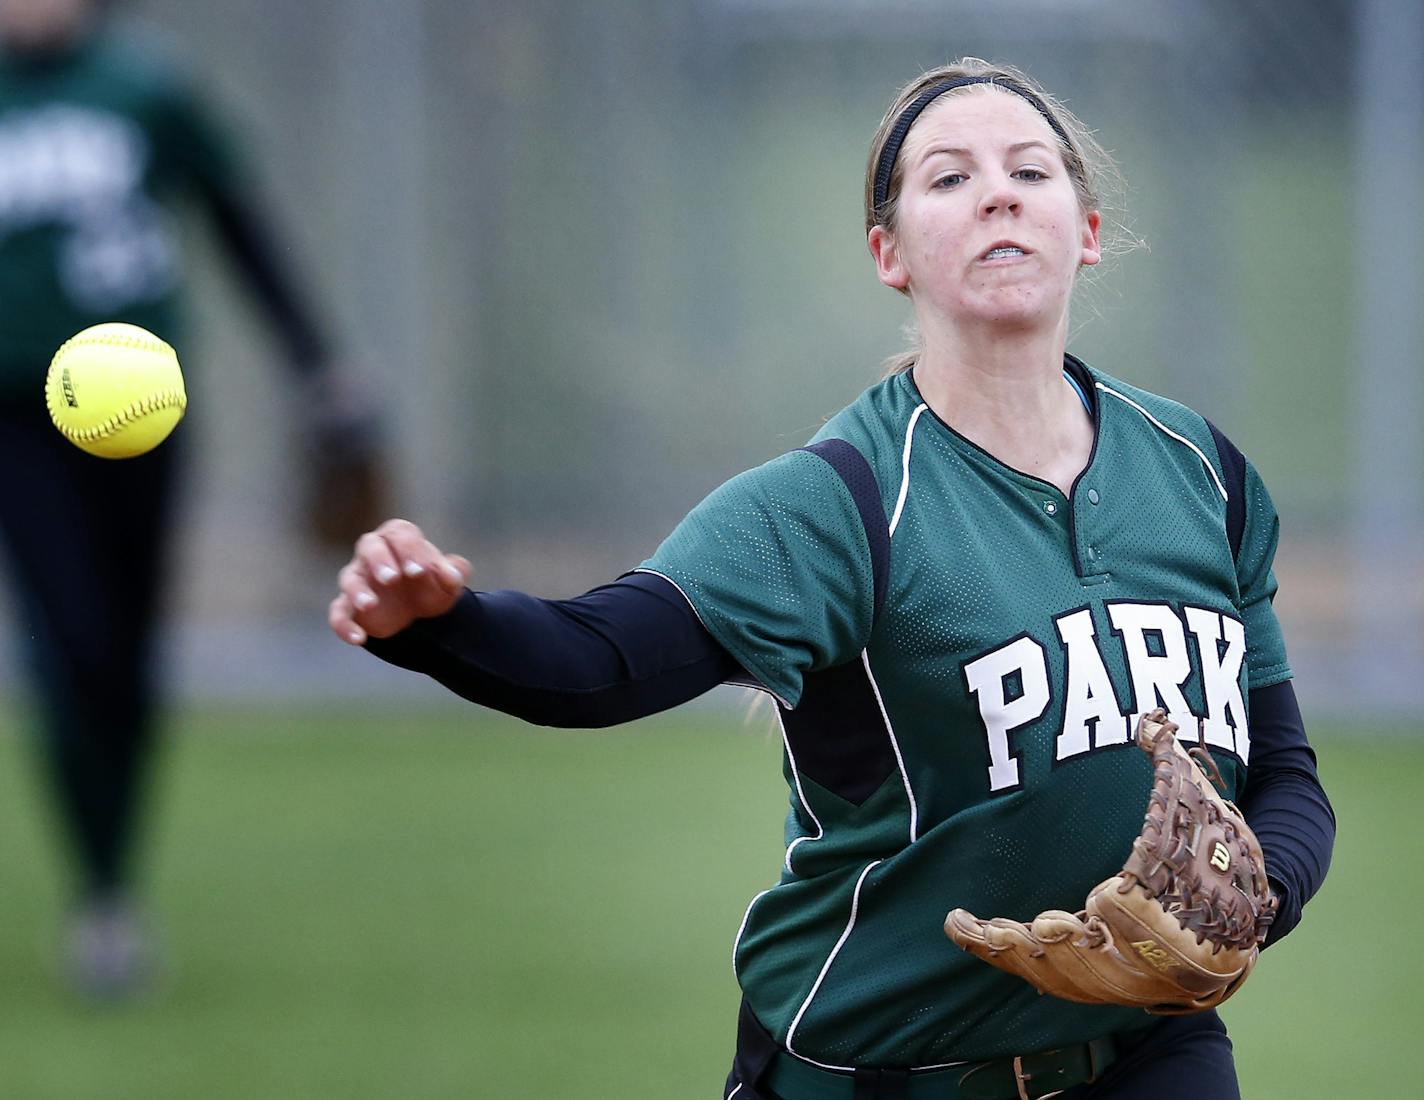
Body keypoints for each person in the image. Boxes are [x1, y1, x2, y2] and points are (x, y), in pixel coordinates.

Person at [328, 58, 1335, 1100]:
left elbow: (1286, 777)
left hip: (1146, 1059)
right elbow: (602, 658)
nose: (995, 191)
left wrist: (1252, 897)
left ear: (1082, 229)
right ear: (887, 253)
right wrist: (438, 620)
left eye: (1027, 170)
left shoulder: (1198, 470)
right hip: (876, 1069)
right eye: (947, 178)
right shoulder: (838, 501)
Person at [0, 0, 376, 999]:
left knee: (124, 653)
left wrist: (318, 365)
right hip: (14, 415)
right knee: (67, 637)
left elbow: (238, 225)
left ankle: (112, 880)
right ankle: (101, 895)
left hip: (139, 413)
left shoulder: (145, 87)